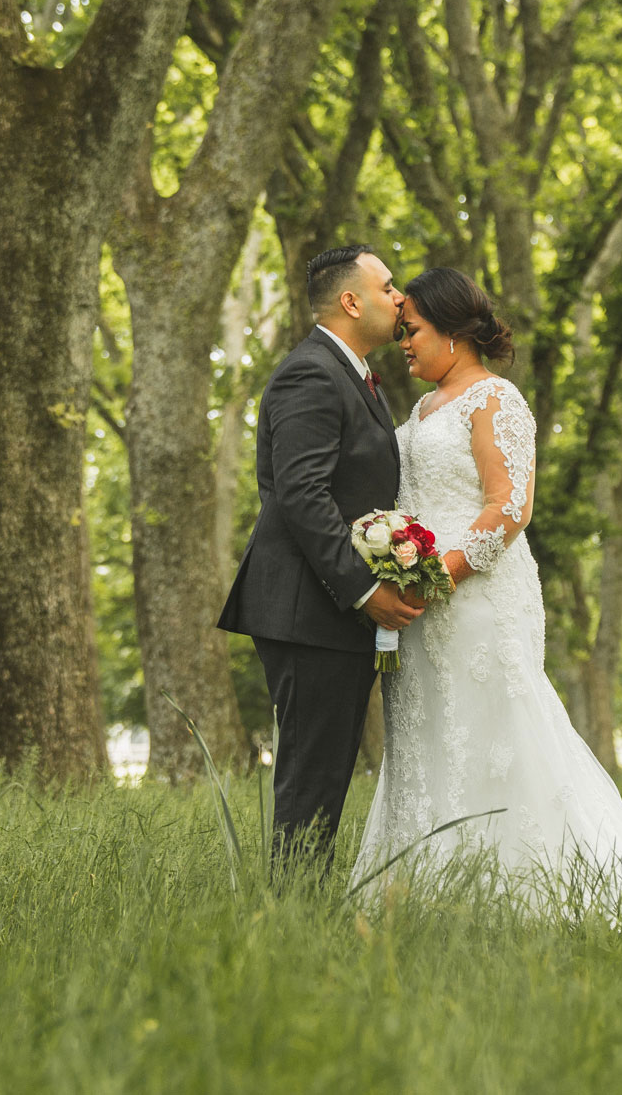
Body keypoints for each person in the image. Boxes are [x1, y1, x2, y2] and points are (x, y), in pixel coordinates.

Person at [350, 267, 622, 909]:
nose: (404, 342)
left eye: (413, 330)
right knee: (430, 731)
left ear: (453, 330)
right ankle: (427, 886)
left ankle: (521, 885)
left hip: (477, 597)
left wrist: (436, 573)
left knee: (495, 730)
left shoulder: (495, 399)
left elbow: (510, 508)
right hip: (419, 607)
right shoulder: (421, 409)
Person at [217, 244, 424, 876]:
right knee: (311, 778)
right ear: (350, 300)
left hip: (326, 609)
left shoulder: (349, 374)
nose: (400, 298)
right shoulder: (309, 373)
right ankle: (291, 916)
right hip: (310, 607)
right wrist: (365, 591)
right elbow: (300, 495)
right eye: (388, 287)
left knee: (326, 772)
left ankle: (300, 910)